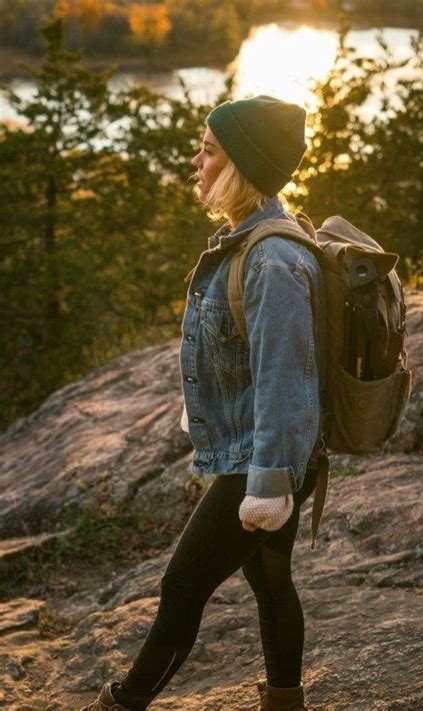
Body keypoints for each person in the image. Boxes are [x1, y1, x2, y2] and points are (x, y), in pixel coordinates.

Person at [82, 95, 325, 711]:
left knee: (181, 585)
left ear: (241, 164)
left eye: (209, 151)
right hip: (258, 450)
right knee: (272, 583)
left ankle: (123, 703)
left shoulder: (272, 259)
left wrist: (268, 482)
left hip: (262, 460)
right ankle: (285, 701)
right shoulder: (245, 240)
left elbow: (283, 380)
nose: (195, 161)